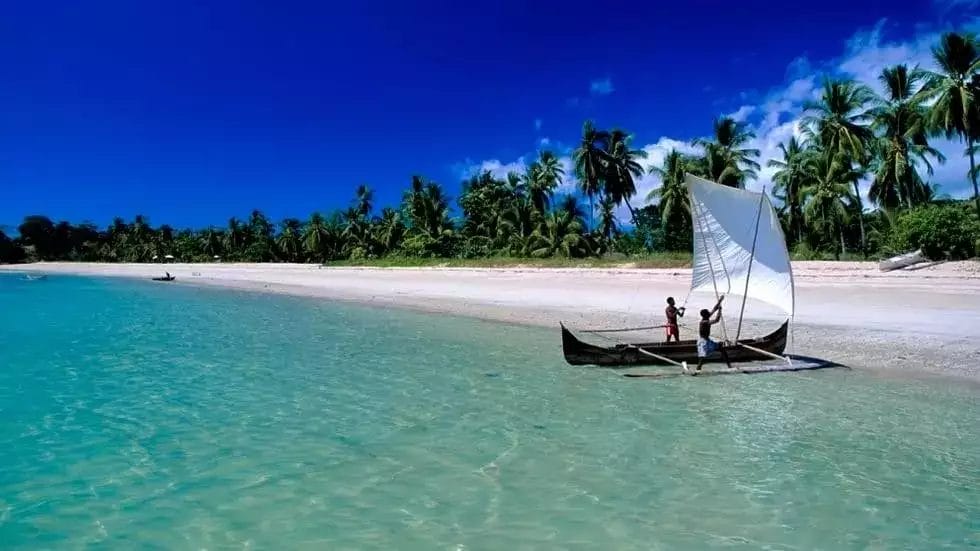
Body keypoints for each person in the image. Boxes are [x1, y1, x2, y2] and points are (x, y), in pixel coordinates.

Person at [695, 295, 731, 373]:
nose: (710, 313)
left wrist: (720, 300)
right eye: (708, 312)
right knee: (702, 359)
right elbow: (717, 320)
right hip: (703, 342)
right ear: (706, 315)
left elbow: (714, 309)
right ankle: (697, 371)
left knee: (722, 349)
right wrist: (720, 311)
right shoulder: (704, 322)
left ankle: (729, 367)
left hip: (707, 341)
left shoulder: (706, 318)